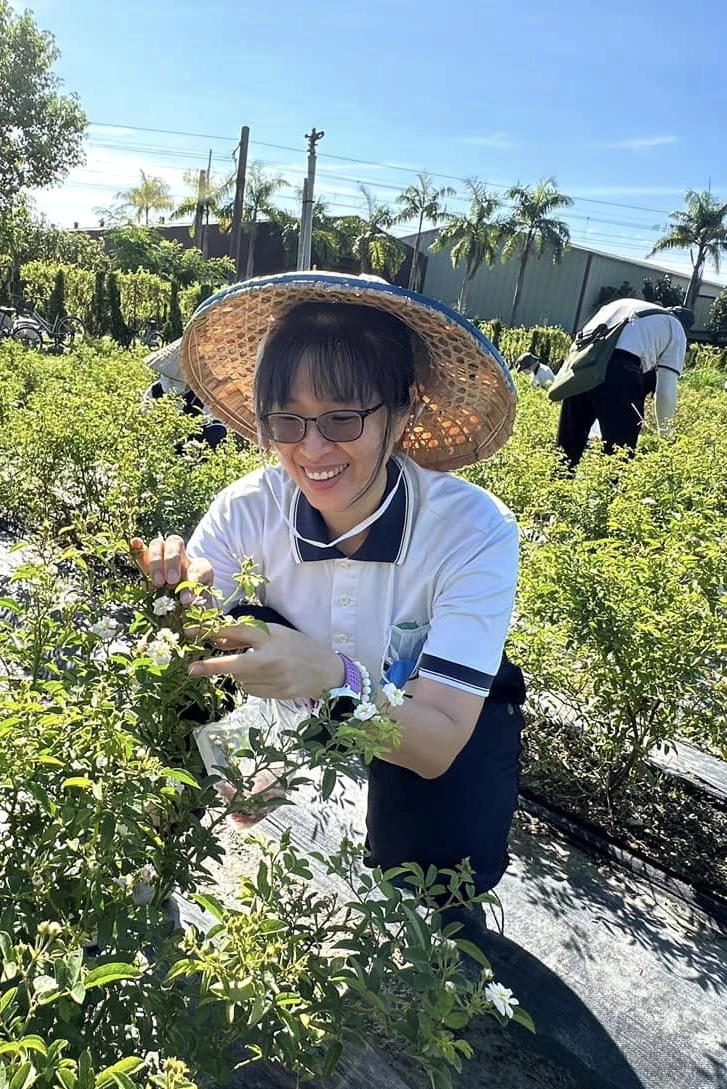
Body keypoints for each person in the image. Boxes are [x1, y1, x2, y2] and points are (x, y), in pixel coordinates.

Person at [135, 271, 525, 899]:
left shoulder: (472, 531)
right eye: (287, 421)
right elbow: (192, 635)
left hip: (421, 710)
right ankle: (156, 856)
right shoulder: (250, 508)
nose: (311, 449)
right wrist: (179, 595)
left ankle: (434, 930)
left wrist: (334, 678)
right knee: (176, 685)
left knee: (437, 857)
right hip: (305, 683)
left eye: (342, 419)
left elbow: (437, 740)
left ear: (402, 413)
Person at [557, 296, 689, 461]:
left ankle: (557, 483)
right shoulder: (676, 328)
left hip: (582, 363)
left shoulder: (628, 305)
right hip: (621, 370)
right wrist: (666, 437)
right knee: (619, 454)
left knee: (566, 451)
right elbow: (665, 392)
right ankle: (610, 486)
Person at [144, 339, 229, 449]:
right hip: (161, 441)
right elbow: (143, 419)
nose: (170, 383)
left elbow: (215, 423)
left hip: (193, 442)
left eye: (175, 380)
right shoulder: (155, 391)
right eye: (168, 378)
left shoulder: (202, 396)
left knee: (217, 431)